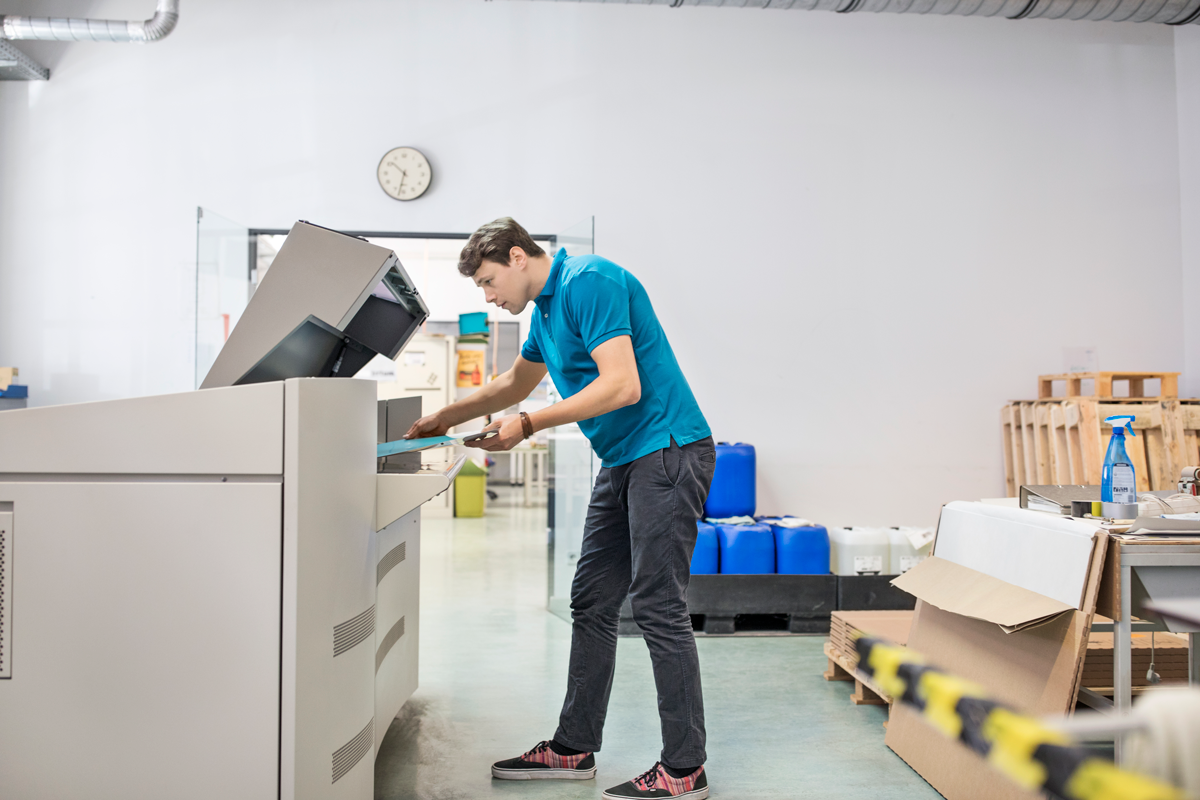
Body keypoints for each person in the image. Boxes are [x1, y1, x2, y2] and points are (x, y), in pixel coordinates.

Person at [405, 217, 716, 800]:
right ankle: (573, 747)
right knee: (592, 600)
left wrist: (527, 425)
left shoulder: (587, 282)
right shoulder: (545, 312)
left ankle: (685, 768)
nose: (490, 298)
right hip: (625, 457)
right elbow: (513, 384)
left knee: (657, 605)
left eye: (489, 282)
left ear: (519, 257)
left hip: (668, 451)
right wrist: (446, 416)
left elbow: (622, 386)